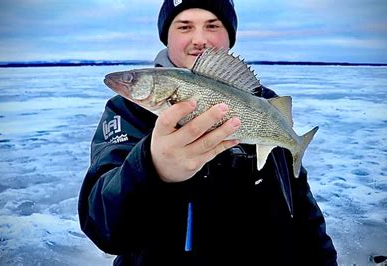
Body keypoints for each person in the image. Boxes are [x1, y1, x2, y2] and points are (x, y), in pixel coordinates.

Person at [78, 0, 338, 265]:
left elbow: (303, 212)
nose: (199, 39)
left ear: (230, 35)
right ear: (166, 37)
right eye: (184, 26)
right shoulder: (127, 112)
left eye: (212, 25)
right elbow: (103, 227)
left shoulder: (265, 104)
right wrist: (151, 168)